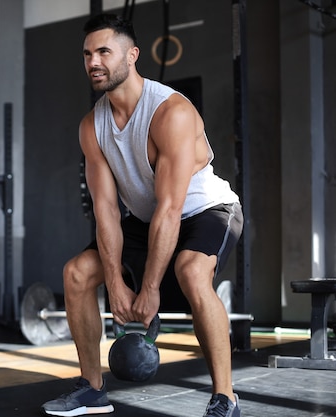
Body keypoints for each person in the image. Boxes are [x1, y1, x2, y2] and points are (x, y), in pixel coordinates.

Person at [41, 13, 243, 417]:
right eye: (87, 54)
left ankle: (226, 397)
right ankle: (92, 390)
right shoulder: (92, 126)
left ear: (132, 55)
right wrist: (115, 284)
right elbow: (106, 211)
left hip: (206, 209)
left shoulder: (171, 113)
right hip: (147, 217)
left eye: (104, 51)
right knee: (77, 274)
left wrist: (149, 288)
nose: (94, 62)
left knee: (190, 271)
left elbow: (171, 208)